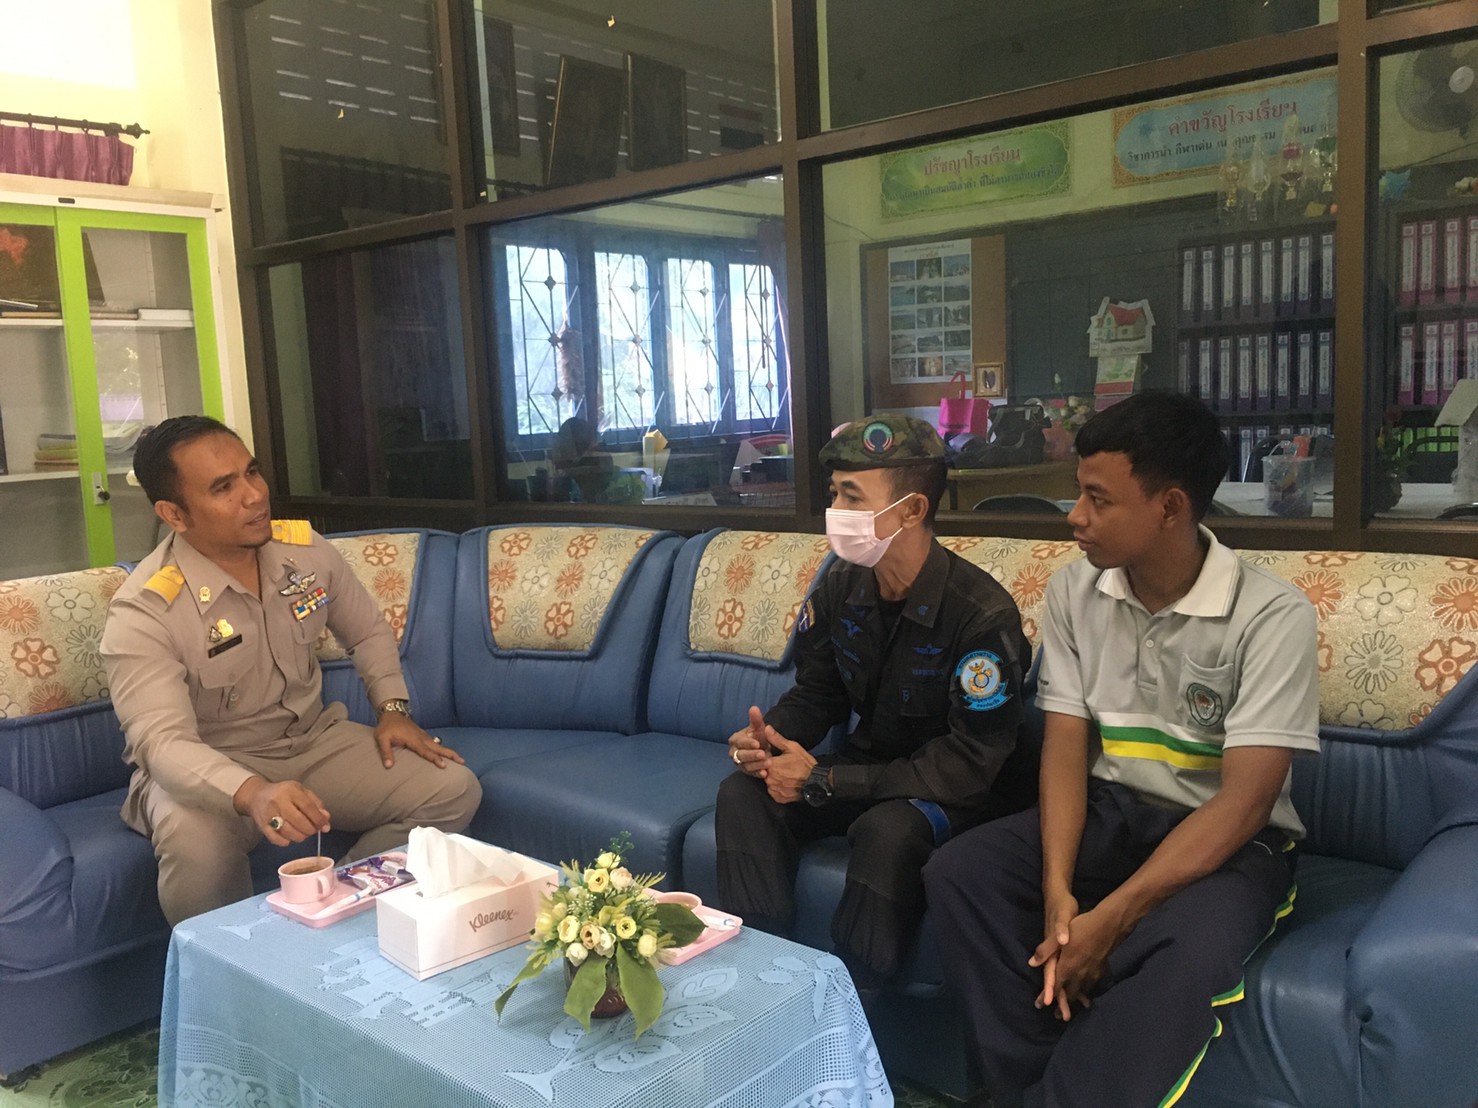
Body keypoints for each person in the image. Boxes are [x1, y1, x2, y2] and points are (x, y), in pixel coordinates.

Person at [924, 392, 1320, 1107]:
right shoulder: (1075, 590)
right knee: (962, 872)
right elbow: (1065, 749)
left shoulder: (1270, 614)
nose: (1074, 516)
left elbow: (1246, 802)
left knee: (1188, 952)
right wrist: (1057, 889)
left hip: (1229, 843)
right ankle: (1028, 1086)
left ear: (1170, 507)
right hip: (1114, 813)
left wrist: (1111, 918)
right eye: (1078, 493)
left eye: (1098, 499)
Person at [102, 416, 482, 925]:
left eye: (251, 472)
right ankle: (230, 968)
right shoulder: (146, 610)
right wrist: (253, 792)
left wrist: (392, 709)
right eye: (223, 487)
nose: (254, 495)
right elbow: (162, 744)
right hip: (210, 768)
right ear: (174, 514)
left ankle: (329, 912)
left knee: (451, 790)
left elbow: (367, 631)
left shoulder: (304, 553)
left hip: (313, 743)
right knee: (198, 849)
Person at [716, 413, 1029, 982]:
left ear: (911, 510)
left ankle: (856, 1006)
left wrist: (826, 780)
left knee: (889, 833)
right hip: (868, 770)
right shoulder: (841, 584)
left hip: (950, 795)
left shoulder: (981, 615)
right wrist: (769, 741)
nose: (835, 509)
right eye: (835, 493)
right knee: (744, 793)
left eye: (852, 496)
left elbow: (967, 765)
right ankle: (762, 977)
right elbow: (819, 692)